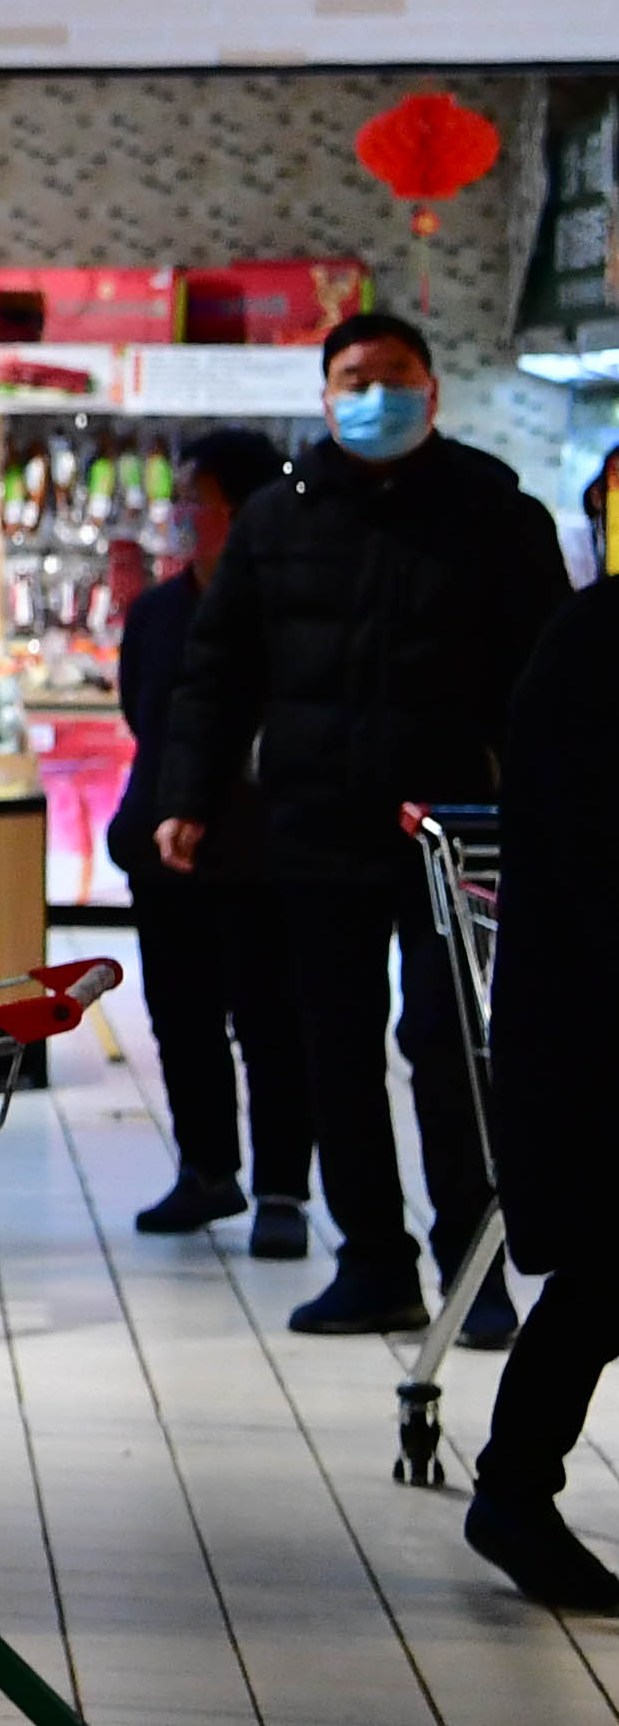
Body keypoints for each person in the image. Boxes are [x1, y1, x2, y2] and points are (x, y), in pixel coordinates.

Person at [154, 311, 571, 1335]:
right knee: (333, 1049)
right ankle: (374, 1264)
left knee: (448, 1044)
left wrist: (557, 811)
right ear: (325, 395)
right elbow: (219, 669)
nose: (374, 393)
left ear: (432, 390)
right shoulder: (277, 519)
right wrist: (189, 794)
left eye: (393, 374)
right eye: (353, 377)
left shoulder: (495, 513)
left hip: (453, 831)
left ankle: (475, 1273)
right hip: (314, 826)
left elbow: (549, 681)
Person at [111, 430, 313, 1253]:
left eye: (197, 499)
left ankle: (282, 1190)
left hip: (261, 857)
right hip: (163, 853)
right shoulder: (157, 613)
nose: (182, 514)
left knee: (271, 1023)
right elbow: (141, 713)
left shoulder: (288, 613)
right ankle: (206, 1170)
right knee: (181, 1018)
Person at [467, 547, 618, 1607]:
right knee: (610, 1263)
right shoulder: (594, 644)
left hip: (584, 1000)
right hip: (590, 1013)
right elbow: (584, 848)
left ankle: (516, 1488)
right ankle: (515, 1490)